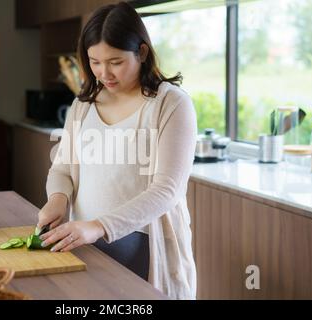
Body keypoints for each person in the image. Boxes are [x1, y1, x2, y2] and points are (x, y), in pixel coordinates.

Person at [36, 2, 197, 300]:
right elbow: (61, 168)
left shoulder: (171, 104)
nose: (103, 73)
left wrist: (99, 226)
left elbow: (167, 190)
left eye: (115, 62)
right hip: (85, 236)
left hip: (144, 244)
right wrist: (58, 199)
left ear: (142, 53)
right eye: (94, 61)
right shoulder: (83, 105)